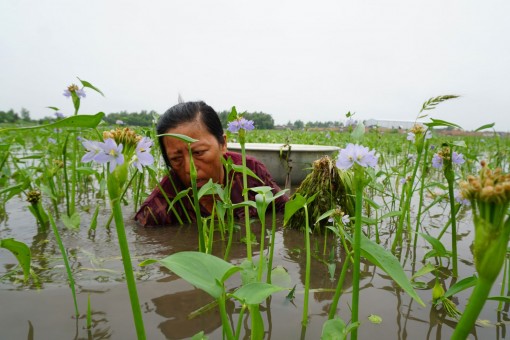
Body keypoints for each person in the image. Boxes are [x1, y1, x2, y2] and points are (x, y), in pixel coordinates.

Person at [135, 101, 288, 226]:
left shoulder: (251, 171)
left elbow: (284, 209)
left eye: (198, 152)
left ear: (223, 144)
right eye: (176, 159)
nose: (189, 169)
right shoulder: (160, 207)